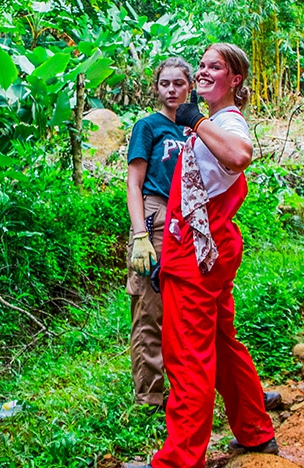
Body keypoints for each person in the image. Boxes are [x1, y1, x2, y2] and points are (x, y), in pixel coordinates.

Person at [131, 43, 277, 468]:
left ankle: (179, 459)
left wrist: (194, 119)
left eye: (217, 67)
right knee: (221, 344)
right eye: (203, 65)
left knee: (187, 355)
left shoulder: (227, 123)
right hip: (205, 248)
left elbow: (238, 156)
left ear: (235, 79)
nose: (205, 71)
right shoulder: (216, 121)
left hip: (197, 253)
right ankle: (254, 430)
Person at [125, 58, 192, 409]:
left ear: (190, 87)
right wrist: (140, 235)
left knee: (182, 307)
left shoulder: (197, 127)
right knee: (149, 308)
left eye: (178, 83)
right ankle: (150, 397)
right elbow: (133, 183)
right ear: (156, 88)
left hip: (190, 219)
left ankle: (186, 389)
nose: (171, 90)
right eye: (165, 84)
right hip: (156, 215)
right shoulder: (148, 127)